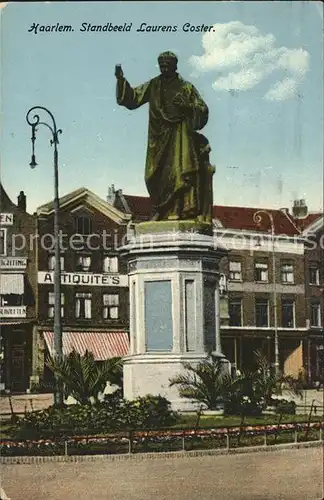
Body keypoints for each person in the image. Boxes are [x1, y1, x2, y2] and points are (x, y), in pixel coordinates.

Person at [115, 51, 214, 223]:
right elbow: (133, 98)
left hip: (179, 138)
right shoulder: (154, 85)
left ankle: (176, 211)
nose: (164, 68)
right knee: (154, 176)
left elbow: (202, 110)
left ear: (175, 66)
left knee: (178, 173)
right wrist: (121, 80)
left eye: (167, 65)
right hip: (157, 139)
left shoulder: (186, 87)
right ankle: (161, 210)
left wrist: (188, 106)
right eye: (161, 65)